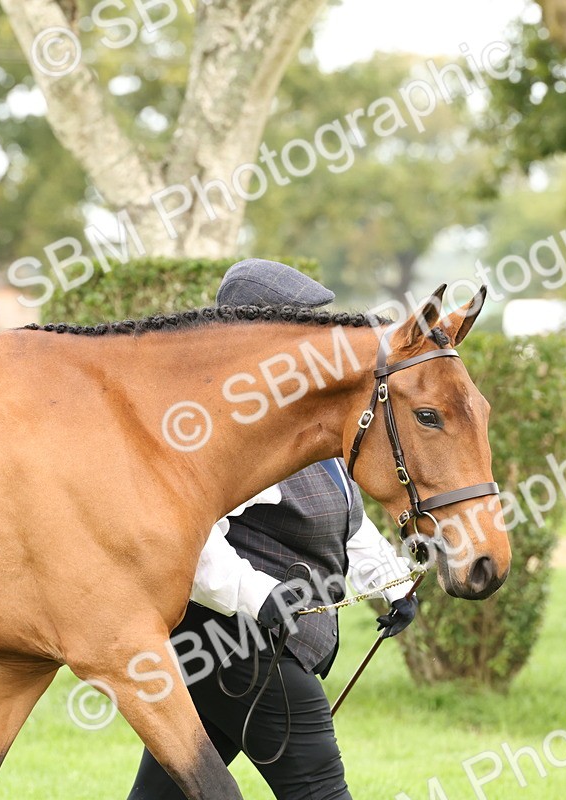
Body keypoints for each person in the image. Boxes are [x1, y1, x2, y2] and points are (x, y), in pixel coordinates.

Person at [128, 259, 417, 800]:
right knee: (319, 790)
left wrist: (391, 585)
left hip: (262, 644)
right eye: (305, 329)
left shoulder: (307, 416)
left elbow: (343, 516)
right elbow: (188, 540)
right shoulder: (216, 427)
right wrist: (257, 595)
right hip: (231, 643)